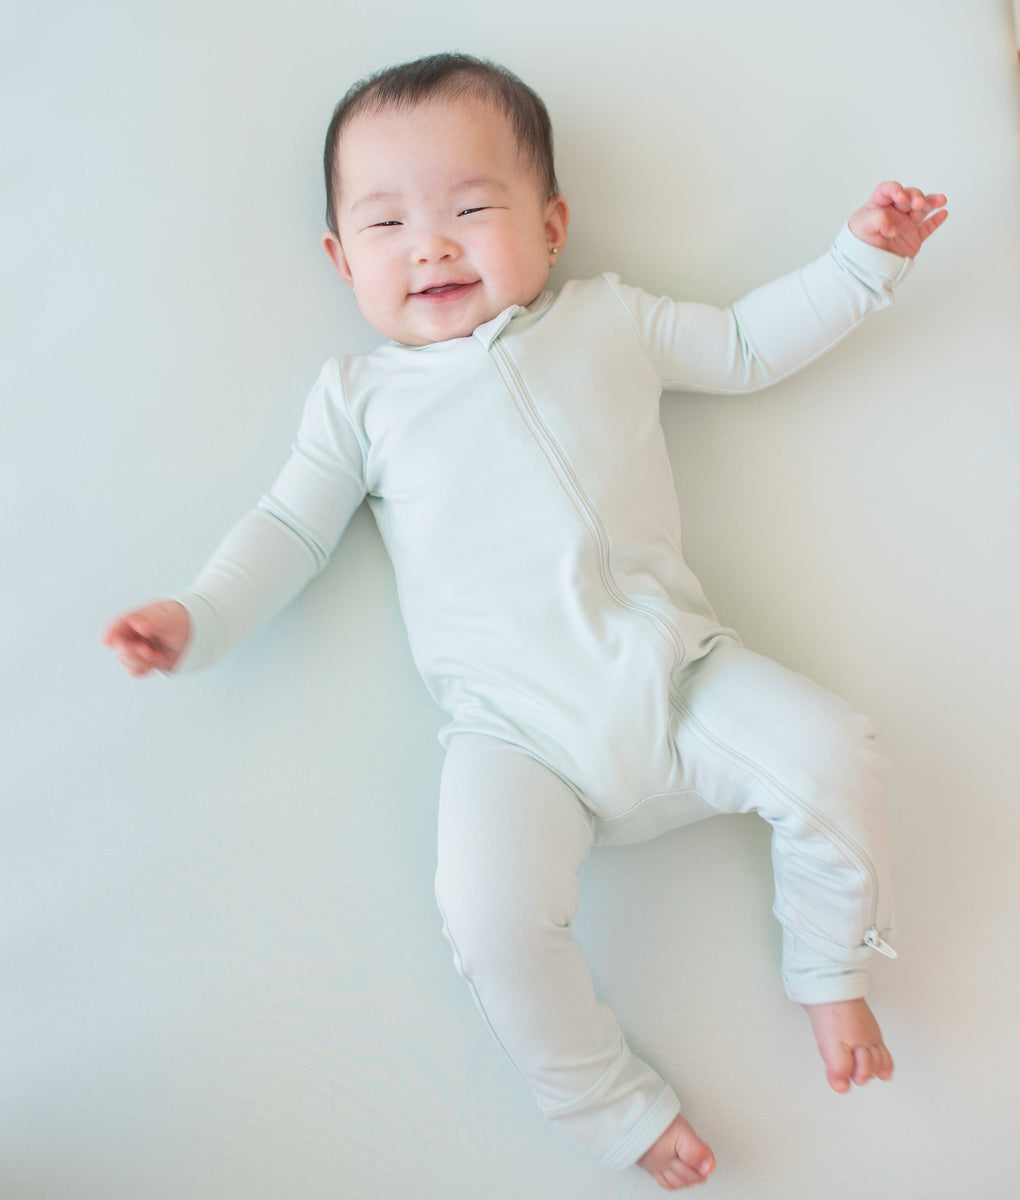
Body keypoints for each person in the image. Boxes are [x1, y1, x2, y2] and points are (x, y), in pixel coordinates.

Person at [103, 53, 947, 1190]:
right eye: (387, 224)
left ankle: (830, 970)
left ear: (551, 227)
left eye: (468, 209)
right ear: (341, 259)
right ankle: (612, 1107)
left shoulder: (610, 320)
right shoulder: (359, 401)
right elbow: (290, 530)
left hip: (680, 677)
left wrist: (862, 261)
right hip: (516, 736)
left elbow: (747, 346)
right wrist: (196, 616)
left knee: (838, 754)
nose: (430, 247)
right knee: (486, 917)